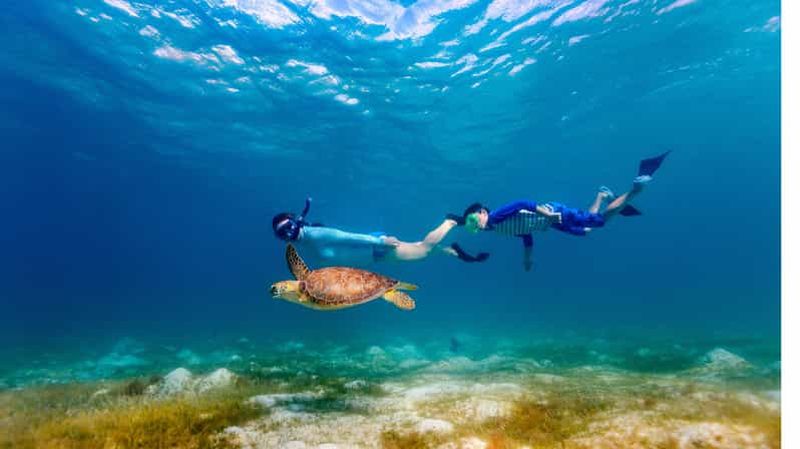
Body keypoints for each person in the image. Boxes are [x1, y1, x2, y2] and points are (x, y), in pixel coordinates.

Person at [453, 151, 670, 271]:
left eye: (473, 219)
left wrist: (548, 215)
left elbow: (522, 202)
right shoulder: (496, 229)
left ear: (482, 212)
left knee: (598, 222)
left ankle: (636, 188)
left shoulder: (496, 215)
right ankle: (602, 195)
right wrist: (527, 259)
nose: (476, 226)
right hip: (551, 223)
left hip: (553, 213)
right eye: (471, 226)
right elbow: (525, 236)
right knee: (586, 231)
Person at [272, 198, 488, 266]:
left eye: (288, 228)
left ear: (295, 223)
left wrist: (382, 241)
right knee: (419, 251)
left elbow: (348, 237)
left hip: (375, 248)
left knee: (422, 250)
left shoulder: (314, 235)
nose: (288, 234)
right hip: (372, 256)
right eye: (282, 234)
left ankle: (450, 222)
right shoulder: (303, 242)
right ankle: (450, 250)